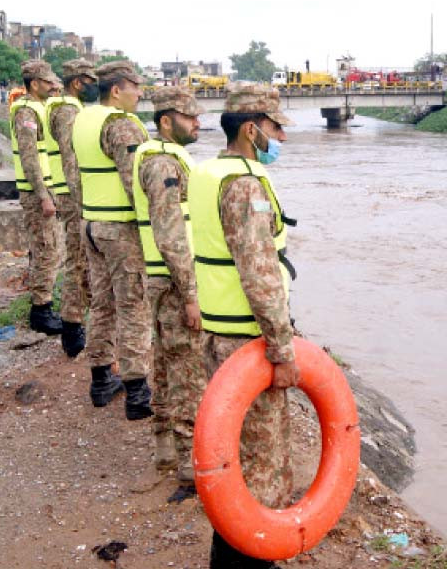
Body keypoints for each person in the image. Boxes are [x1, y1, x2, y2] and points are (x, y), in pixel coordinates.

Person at [189, 82, 298, 568]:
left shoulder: (209, 172)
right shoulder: (244, 185)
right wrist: (282, 347)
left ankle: (231, 559)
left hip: (217, 331)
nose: (283, 138)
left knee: (233, 453)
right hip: (248, 340)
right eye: (276, 128)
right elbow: (259, 273)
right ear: (252, 130)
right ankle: (251, 560)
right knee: (261, 462)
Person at [130, 86, 206, 501]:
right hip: (175, 283)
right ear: (165, 121)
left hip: (163, 281)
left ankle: (165, 454)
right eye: (190, 117)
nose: (198, 123)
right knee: (186, 376)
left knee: (164, 368)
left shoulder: (158, 156)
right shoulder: (162, 164)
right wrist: (191, 292)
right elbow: (171, 232)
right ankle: (191, 470)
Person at [72, 60, 152, 417]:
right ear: (117, 89)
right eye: (135, 86)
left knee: (102, 304)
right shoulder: (120, 126)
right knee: (133, 305)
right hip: (121, 229)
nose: (140, 93)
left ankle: (101, 379)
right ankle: (137, 392)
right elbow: (135, 182)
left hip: (91, 224)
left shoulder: (84, 119)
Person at [46, 58, 99, 357]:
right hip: (72, 196)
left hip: (70, 193)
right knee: (77, 262)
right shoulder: (67, 111)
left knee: (81, 263)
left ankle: (77, 322)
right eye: (89, 81)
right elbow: (70, 158)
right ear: (78, 82)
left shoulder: (69, 107)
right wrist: (83, 202)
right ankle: (72, 327)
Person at [9, 60, 62, 335]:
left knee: (49, 249)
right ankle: (41, 310)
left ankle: (44, 305)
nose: (53, 86)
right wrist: (43, 196)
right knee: (45, 249)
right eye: (48, 81)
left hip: (46, 189)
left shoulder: (39, 107)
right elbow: (29, 158)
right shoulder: (26, 112)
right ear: (34, 83)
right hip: (36, 192)